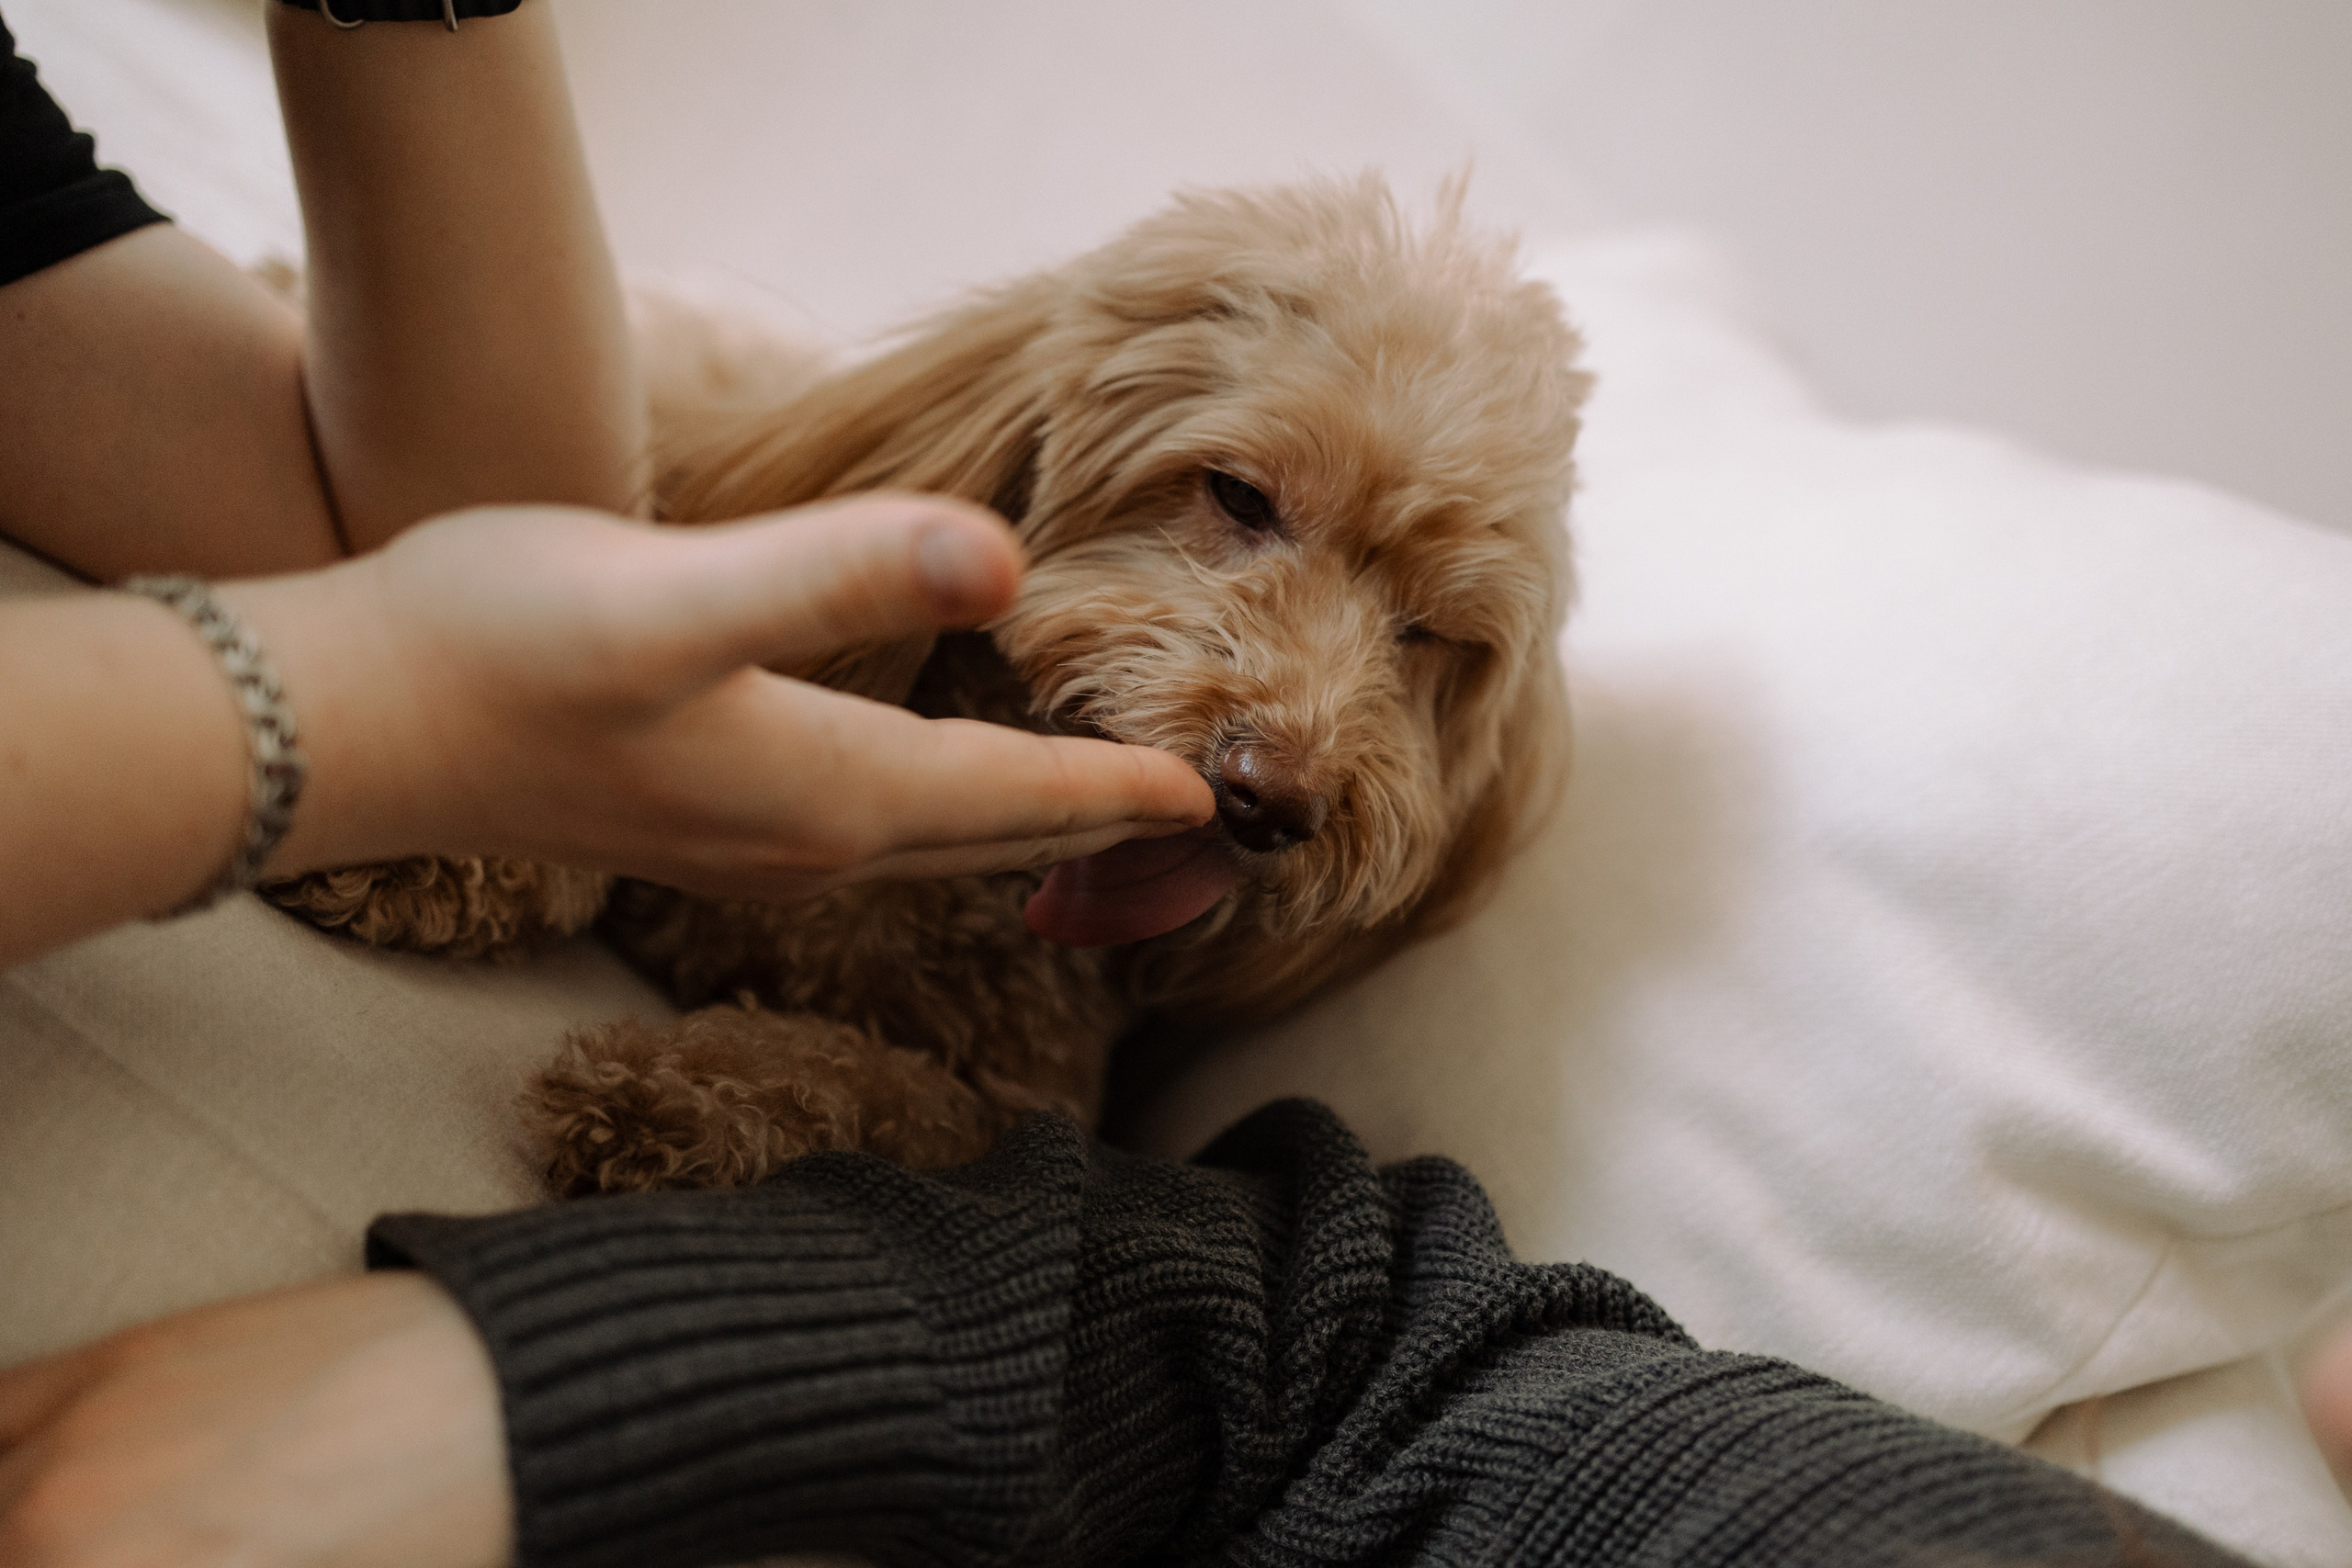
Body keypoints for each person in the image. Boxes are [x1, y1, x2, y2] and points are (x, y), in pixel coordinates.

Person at [0, 6, 2323, 1564]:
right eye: (1235, 502)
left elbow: (1020, 1154)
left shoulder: (1129, 990)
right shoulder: (742, 494)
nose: (1289, 728)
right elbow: (484, 575)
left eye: (1425, 643)